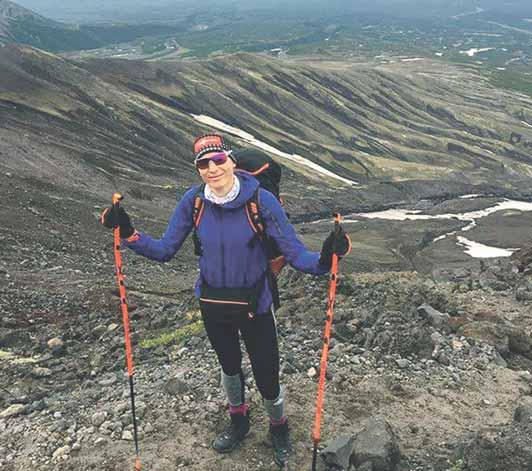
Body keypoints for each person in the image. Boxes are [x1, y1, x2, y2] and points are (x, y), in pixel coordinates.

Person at [101, 133, 351, 468]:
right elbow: (164, 250)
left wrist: (326, 259)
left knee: (267, 374)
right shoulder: (194, 202)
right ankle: (239, 421)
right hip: (213, 304)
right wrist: (129, 234)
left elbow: (295, 255)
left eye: (218, 160)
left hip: (256, 304)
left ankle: (279, 427)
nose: (212, 168)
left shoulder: (261, 202)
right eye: (203, 163)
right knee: (229, 368)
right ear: (198, 169)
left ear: (231, 161)